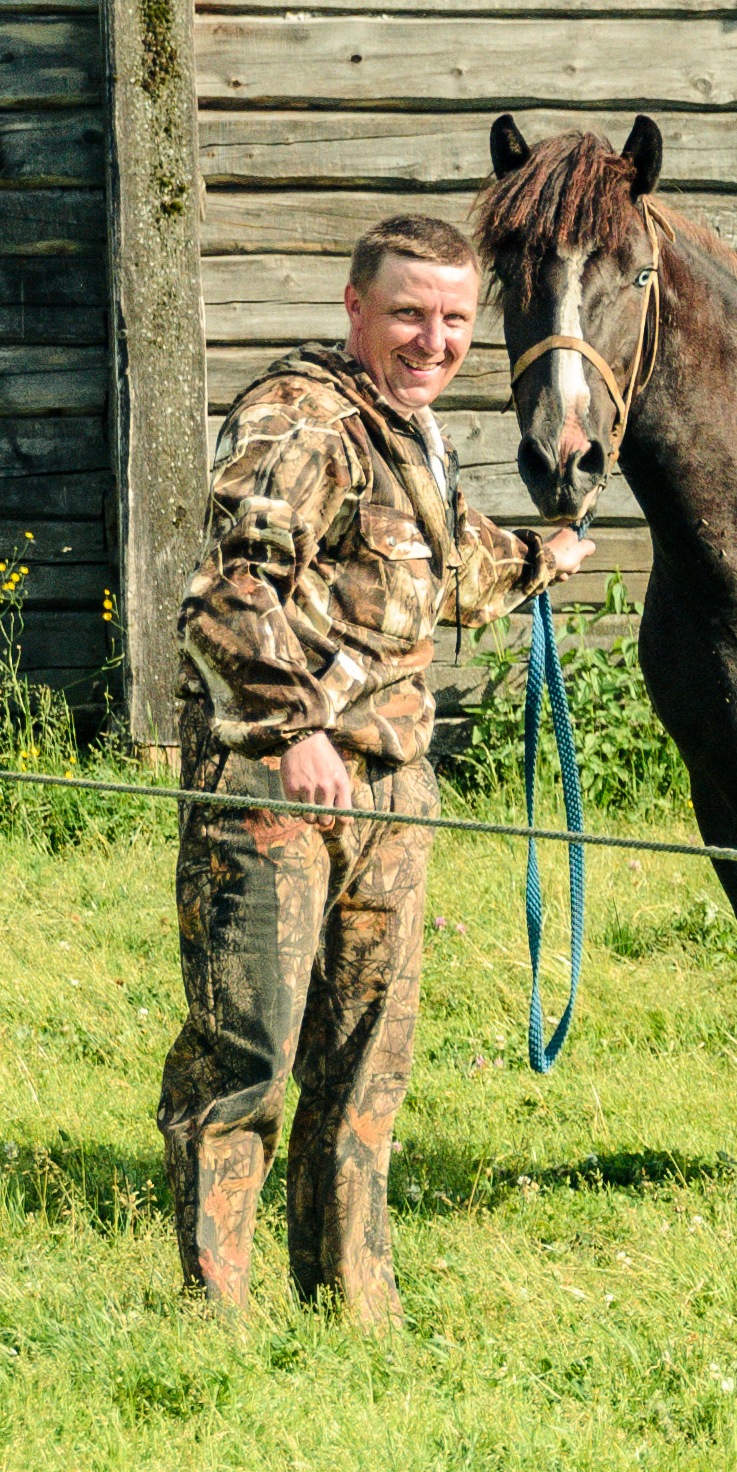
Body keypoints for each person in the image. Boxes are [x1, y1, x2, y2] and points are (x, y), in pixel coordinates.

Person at [163, 213, 597, 1315]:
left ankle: (352, 1302)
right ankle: (214, 1309)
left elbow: (442, 569)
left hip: (391, 790)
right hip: (276, 789)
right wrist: (290, 730)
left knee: (367, 1060)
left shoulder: (415, 434)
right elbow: (228, 595)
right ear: (355, 309)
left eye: (453, 319)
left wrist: (546, 556)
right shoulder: (300, 422)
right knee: (250, 1051)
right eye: (408, 313)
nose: (432, 339)